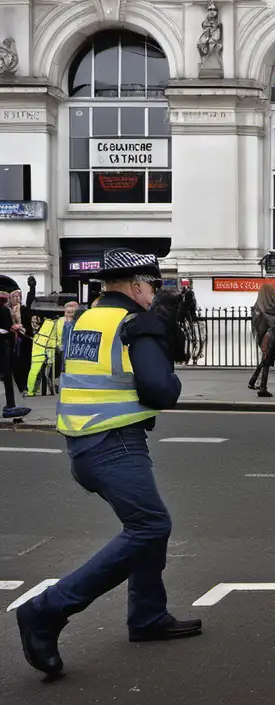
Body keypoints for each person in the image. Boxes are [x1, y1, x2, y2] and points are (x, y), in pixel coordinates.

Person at [16, 249, 199, 678]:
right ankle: (45, 611)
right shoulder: (137, 322)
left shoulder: (88, 319)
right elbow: (161, 391)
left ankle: (148, 615)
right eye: (153, 285)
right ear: (136, 285)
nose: (154, 294)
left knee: (146, 525)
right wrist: (169, 368)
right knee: (151, 526)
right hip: (114, 442)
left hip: (85, 443)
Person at [249, 282, 275, 398]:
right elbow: (273, 324)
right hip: (269, 338)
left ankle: (253, 381)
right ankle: (263, 387)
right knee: (266, 359)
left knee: (265, 359)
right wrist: (266, 343)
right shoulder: (270, 312)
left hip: (262, 338)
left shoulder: (258, 308)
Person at [0, 290, 30, 419]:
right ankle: (10, 405)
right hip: (4, 346)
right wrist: (14, 328)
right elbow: (7, 326)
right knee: (8, 374)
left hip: (6, 345)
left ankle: (10, 404)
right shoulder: (4, 311)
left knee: (8, 374)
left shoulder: (6, 310)